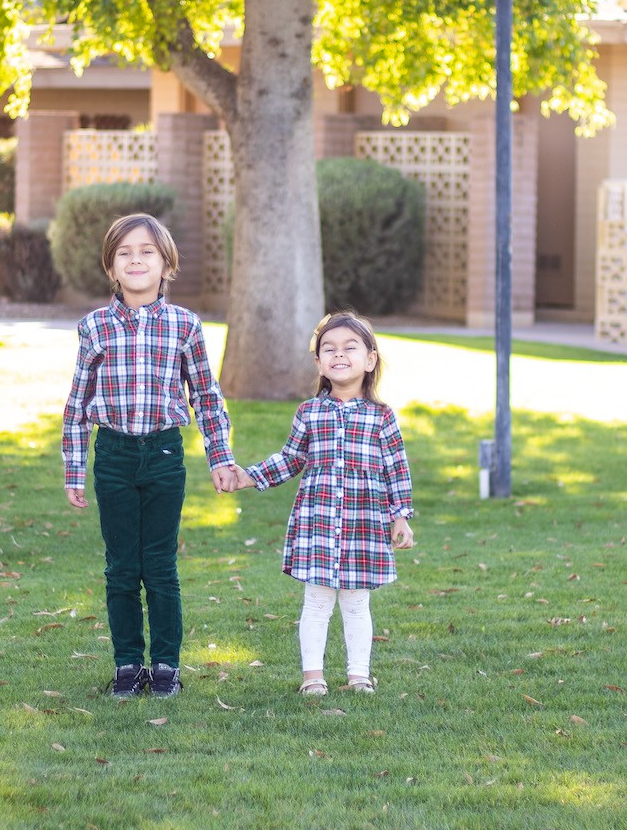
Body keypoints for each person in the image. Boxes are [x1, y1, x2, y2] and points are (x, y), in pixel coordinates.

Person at [62, 213, 236, 699]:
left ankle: (164, 666)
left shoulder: (185, 326)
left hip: (163, 453)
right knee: (121, 567)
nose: (136, 260)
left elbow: (206, 396)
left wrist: (220, 458)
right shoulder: (94, 327)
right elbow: (78, 404)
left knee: (159, 565)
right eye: (125, 254)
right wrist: (76, 467)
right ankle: (126, 665)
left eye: (147, 252)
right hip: (114, 455)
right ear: (112, 269)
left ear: (166, 265)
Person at [233, 312, 413, 695]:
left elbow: (397, 469)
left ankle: (359, 675)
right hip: (318, 522)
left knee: (356, 602)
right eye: (328, 349)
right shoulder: (310, 413)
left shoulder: (381, 417)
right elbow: (291, 458)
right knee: (316, 602)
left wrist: (401, 516)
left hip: (364, 523)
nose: (339, 354)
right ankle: (312, 678)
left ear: (370, 359)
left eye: (350, 347)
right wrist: (249, 475)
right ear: (319, 363)